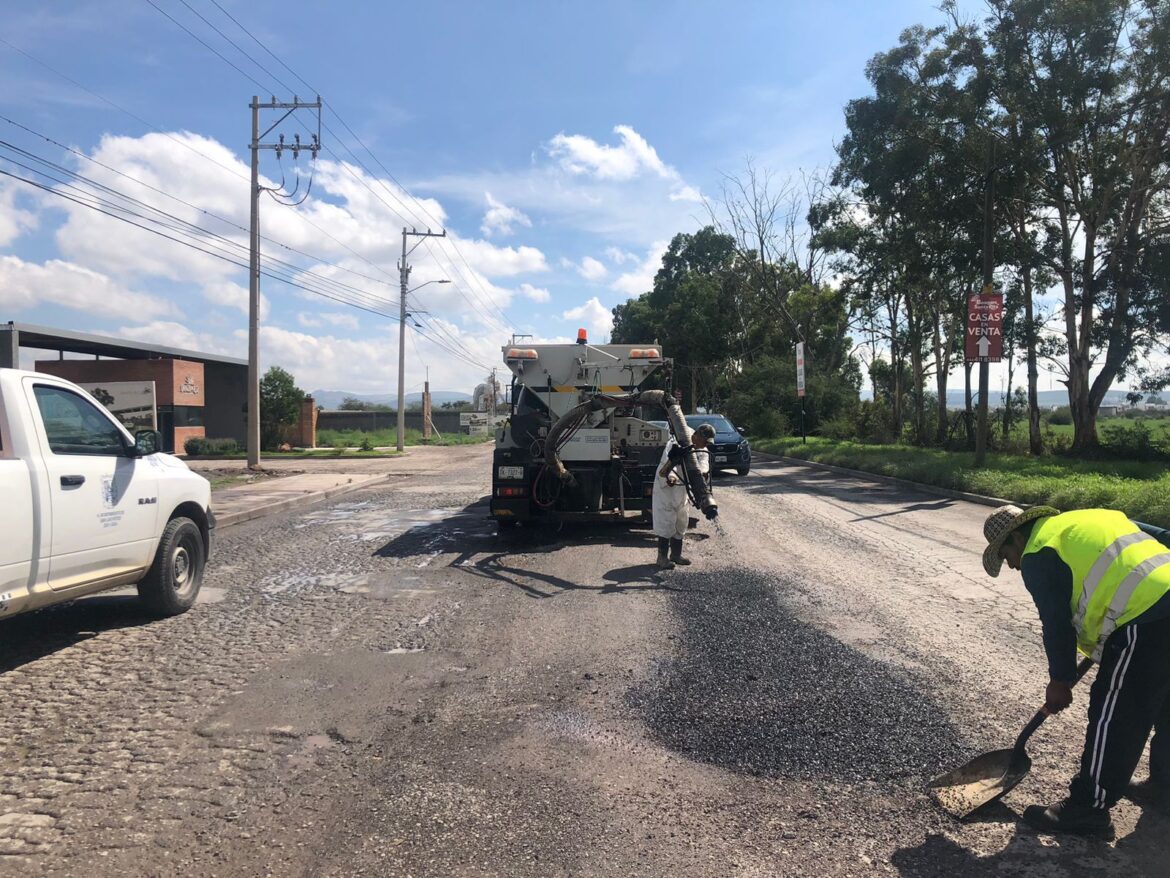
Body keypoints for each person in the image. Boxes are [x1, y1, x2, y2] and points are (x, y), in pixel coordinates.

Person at [982, 504, 1170, 834]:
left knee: (1116, 712)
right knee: (1165, 703)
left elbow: (1056, 623)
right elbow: (1164, 538)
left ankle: (1088, 808)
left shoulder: (1039, 552)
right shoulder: (1093, 518)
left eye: (1006, 554)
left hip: (1145, 618)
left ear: (1017, 537)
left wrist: (1060, 680)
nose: (1011, 565)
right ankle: (1165, 784)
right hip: (1159, 606)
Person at [652, 423, 714, 570]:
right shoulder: (677, 441)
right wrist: (671, 476)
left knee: (681, 520)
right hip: (667, 488)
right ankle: (661, 558)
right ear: (697, 436)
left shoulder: (700, 447)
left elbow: (703, 461)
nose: (705, 445)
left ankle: (676, 555)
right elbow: (666, 462)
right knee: (667, 522)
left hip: (682, 488)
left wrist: (703, 473)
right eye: (704, 441)